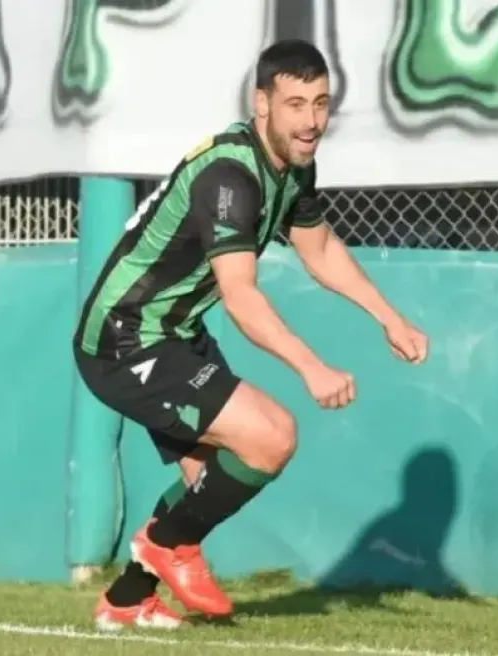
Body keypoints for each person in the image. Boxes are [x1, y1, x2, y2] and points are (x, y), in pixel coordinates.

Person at [73, 38, 429, 631]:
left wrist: (389, 316)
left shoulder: (293, 166)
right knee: (271, 436)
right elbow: (240, 295)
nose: (312, 120)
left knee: (210, 482)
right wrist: (311, 366)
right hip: (124, 338)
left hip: (173, 331)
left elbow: (319, 249)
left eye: (320, 102)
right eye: (295, 104)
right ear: (261, 103)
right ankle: (168, 546)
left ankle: (128, 601)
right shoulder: (232, 175)